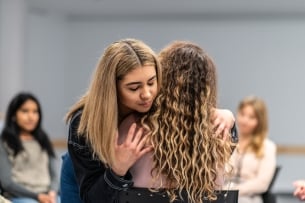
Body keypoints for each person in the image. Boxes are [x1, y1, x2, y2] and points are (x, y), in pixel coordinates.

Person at [65, 38, 236, 203]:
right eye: (134, 87)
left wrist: (223, 115)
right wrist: (117, 169)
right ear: (112, 88)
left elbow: (187, 102)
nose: (146, 94)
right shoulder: (84, 124)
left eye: (152, 82)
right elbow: (93, 198)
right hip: (86, 175)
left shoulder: (156, 103)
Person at [0, 92, 59, 203]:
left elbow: (54, 174)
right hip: (19, 197)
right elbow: (6, 182)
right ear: (13, 115)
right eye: (25, 111)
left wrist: (52, 192)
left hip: (48, 195)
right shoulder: (5, 142)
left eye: (35, 112)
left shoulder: (43, 140)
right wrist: (37, 196)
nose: (31, 117)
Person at [228, 96, 276, 203]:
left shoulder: (267, 147)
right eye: (242, 114)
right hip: (224, 194)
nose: (245, 120)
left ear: (259, 121)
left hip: (249, 198)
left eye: (251, 117)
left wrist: (234, 191)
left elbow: (262, 183)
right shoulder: (226, 141)